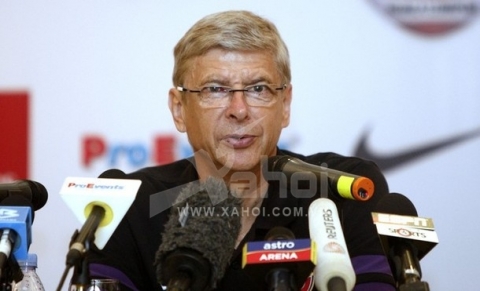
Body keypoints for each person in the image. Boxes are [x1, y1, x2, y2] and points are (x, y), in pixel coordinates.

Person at [87, 10, 396, 291]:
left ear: (285, 105)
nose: (239, 110)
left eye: (258, 88)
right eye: (215, 89)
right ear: (179, 109)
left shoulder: (342, 190)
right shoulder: (132, 205)